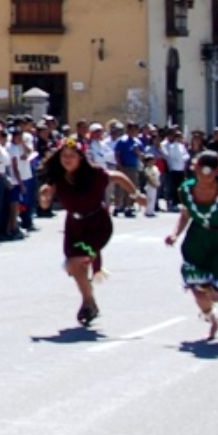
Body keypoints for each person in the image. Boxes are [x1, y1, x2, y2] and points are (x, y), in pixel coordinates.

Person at [37, 139, 145, 326]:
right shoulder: (58, 178)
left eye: (71, 156)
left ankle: (88, 301)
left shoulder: (95, 174)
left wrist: (135, 195)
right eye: (64, 156)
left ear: (81, 157)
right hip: (73, 226)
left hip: (97, 224)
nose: (67, 160)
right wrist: (44, 197)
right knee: (75, 266)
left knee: (76, 261)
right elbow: (45, 204)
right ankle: (89, 302)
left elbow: (119, 176)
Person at [165, 151, 218, 341]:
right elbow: (185, 214)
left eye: (210, 170)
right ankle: (213, 321)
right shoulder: (186, 189)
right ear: (196, 168)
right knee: (196, 285)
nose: (205, 174)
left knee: (217, 292)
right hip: (198, 240)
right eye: (201, 168)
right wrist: (175, 234)